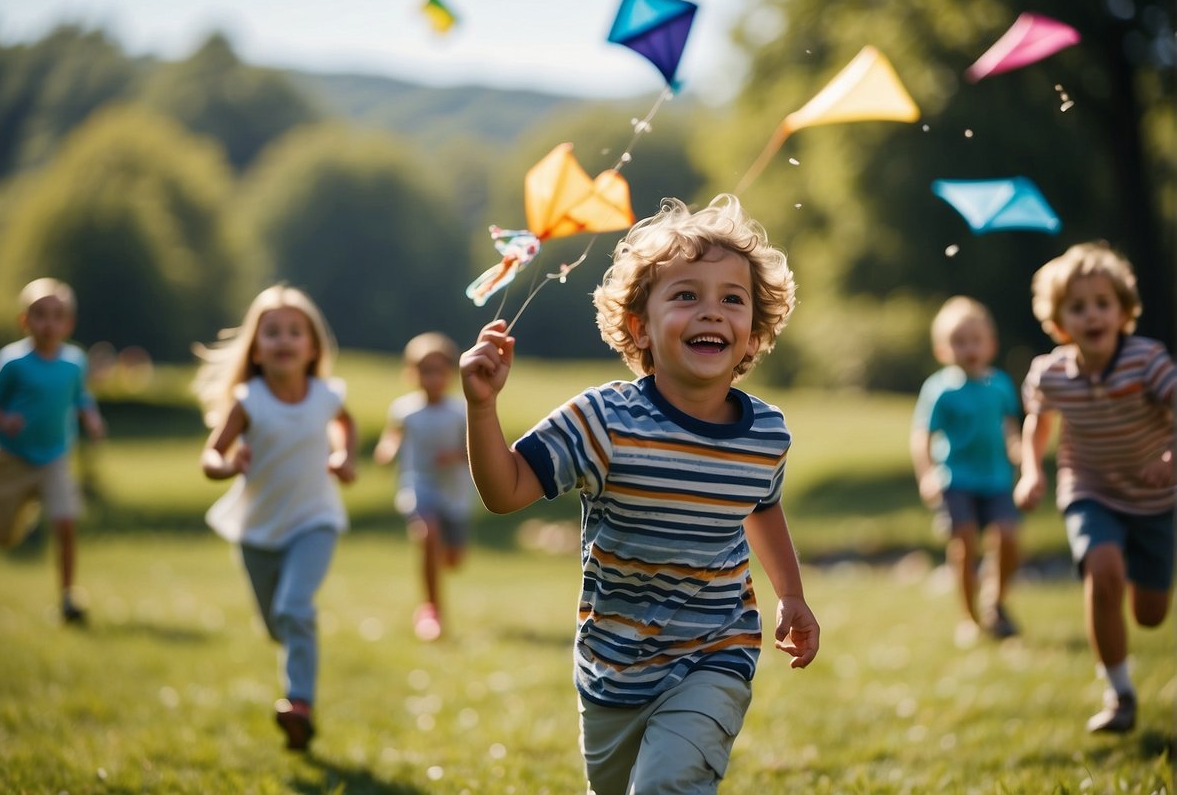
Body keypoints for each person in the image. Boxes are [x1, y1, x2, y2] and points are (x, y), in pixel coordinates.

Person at [461, 194, 820, 794]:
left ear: (754, 331)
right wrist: (481, 409)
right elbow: (507, 491)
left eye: (732, 300)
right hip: (613, 664)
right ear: (640, 326)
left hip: (716, 649)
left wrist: (791, 594)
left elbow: (761, 505)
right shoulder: (603, 421)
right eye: (686, 296)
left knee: (669, 786)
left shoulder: (765, 432)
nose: (711, 312)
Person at [1014, 241, 1174, 734]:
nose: (1092, 316)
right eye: (1078, 307)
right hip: (1090, 490)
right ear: (1060, 322)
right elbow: (1037, 423)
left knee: (1149, 614)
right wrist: (1032, 471)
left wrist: (1170, 457)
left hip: (1155, 499)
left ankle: (1137, 582)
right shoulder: (1051, 373)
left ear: (1123, 311)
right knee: (1102, 573)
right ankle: (1120, 693)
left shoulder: (1147, 361)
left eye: (1103, 304)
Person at [193, 284, 357, 752]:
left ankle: (299, 706)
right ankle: (297, 677)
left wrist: (344, 456)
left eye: (293, 331)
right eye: (271, 332)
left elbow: (346, 423)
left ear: (312, 347)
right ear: (256, 348)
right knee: (276, 625)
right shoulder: (249, 400)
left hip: (315, 520)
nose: (283, 340)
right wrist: (226, 466)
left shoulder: (326, 395)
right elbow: (210, 455)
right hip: (257, 530)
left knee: (293, 610)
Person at [0, 278, 105, 624]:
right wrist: (4, 417)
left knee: (66, 522)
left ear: (68, 324)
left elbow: (79, 395)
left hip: (55, 458)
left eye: (57, 316)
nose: (48, 323)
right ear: (24, 321)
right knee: (5, 533)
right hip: (12, 458)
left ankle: (68, 597)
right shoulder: (12, 362)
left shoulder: (74, 362)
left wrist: (90, 416)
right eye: (40, 315)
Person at [910, 296, 1023, 643]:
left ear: (991, 344)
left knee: (1008, 536)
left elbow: (1008, 427)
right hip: (956, 478)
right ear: (943, 350)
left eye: (976, 340)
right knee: (965, 541)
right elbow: (921, 437)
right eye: (959, 341)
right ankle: (969, 617)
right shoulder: (940, 390)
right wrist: (927, 474)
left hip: (996, 478)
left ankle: (995, 600)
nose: (969, 348)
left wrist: (1019, 452)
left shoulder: (1000, 385)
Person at [374, 331, 473, 641]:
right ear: (411, 373)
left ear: (449, 373)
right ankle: (431, 609)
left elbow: (474, 451)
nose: (431, 378)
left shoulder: (460, 411)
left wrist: (455, 456)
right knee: (427, 531)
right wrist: (386, 452)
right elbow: (391, 438)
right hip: (418, 485)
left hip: (454, 492)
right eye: (424, 370)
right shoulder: (405, 410)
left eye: (438, 370)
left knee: (453, 558)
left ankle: (441, 553)